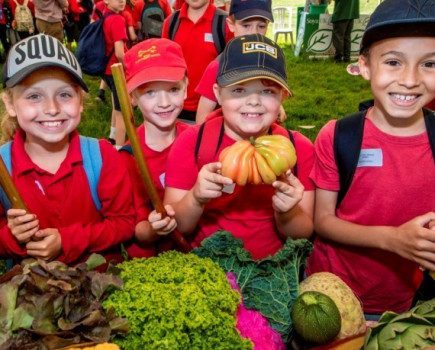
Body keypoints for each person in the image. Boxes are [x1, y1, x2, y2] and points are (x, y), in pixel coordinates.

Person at [306, 0, 435, 317]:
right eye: (393, 62)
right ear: (364, 66)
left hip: (409, 306)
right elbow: (322, 221)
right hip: (330, 299)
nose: (409, 79)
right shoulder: (338, 136)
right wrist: (394, 240)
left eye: (430, 64)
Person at [164, 34, 315, 260]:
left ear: (282, 96)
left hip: (273, 268)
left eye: (267, 91)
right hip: (208, 267)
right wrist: (196, 197)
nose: (253, 101)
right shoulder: (192, 142)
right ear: (217, 94)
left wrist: (288, 212)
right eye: (238, 90)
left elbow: (302, 235)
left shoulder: (298, 148)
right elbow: (178, 226)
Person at [0, 34, 135, 266]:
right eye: (34, 96)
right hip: (32, 296)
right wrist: (12, 237)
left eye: (64, 95)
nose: (52, 109)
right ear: (10, 104)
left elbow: (124, 223)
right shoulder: (3, 168)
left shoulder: (103, 157)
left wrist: (67, 240)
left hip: (99, 291)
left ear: (80, 102)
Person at [119, 38, 190, 258]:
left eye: (173, 89)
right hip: (153, 262)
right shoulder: (127, 158)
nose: (164, 102)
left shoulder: (196, 140)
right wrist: (154, 228)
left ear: (186, 89)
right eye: (150, 92)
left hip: (195, 253)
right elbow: (138, 232)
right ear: (132, 97)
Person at [195, 0, 274, 124]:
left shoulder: (271, 63)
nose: (253, 33)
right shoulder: (218, 66)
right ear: (231, 24)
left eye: (261, 26)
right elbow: (201, 118)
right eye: (246, 25)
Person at [161, 0, 233, 122]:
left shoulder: (225, 23)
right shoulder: (171, 22)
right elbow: (164, 64)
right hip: (176, 111)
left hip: (214, 112)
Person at [101, 0, 128, 149]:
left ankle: (112, 136)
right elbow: (119, 53)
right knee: (122, 112)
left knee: (115, 105)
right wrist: (128, 69)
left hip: (106, 70)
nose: (121, 1)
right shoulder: (118, 19)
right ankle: (119, 148)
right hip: (117, 70)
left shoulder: (105, 16)